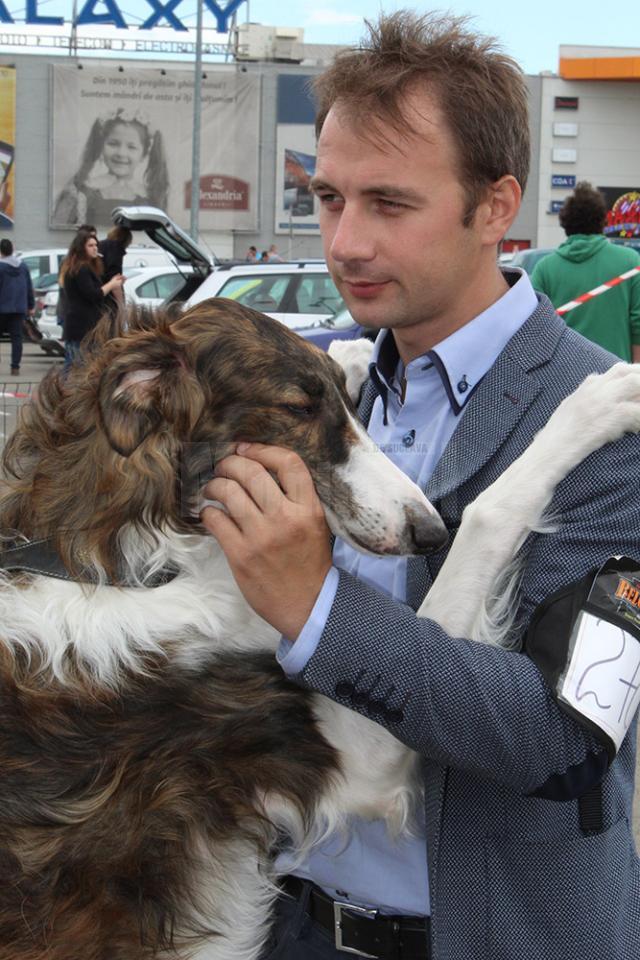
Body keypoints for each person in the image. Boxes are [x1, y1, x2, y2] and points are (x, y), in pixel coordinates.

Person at [200, 12, 640, 960]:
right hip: (279, 927)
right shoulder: (319, 385)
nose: (345, 241)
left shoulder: (608, 423)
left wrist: (316, 609)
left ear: (496, 207)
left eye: (389, 204)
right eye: (328, 198)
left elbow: (559, 737)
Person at [531, 181, 640, 361]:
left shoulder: (545, 268)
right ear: (603, 221)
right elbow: (638, 324)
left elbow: (534, 328)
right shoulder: (630, 261)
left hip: (563, 377)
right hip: (615, 377)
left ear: (565, 223)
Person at [52, 108, 169, 228]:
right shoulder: (82, 192)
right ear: (101, 146)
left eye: (131, 147)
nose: (121, 153)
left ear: (144, 154)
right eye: (113, 144)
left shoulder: (150, 197)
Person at [59, 229, 123, 373]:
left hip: (87, 326)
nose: (95, 248)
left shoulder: (86, 268)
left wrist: (112, 282)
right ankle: (65, 393)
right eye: (90, 245)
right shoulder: (81, 269)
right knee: (77, 367)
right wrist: (111, 284)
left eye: (96, 245)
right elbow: (94, 294)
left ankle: (67, 392)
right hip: (81, 327)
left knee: (80, 366)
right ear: (81, 248)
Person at [0, 237, 34, 375]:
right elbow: (28, 287)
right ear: (12, 249)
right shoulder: (23, 266)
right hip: (19, 308)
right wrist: (30, 305)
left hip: (2, 308)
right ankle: (15, 367)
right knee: (17, 338)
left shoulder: (0, 267)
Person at [98, 224, 133, 317]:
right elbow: (115, 281)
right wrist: (122, 307)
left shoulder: (100, 246)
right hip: (107, 303)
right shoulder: (115, 249)